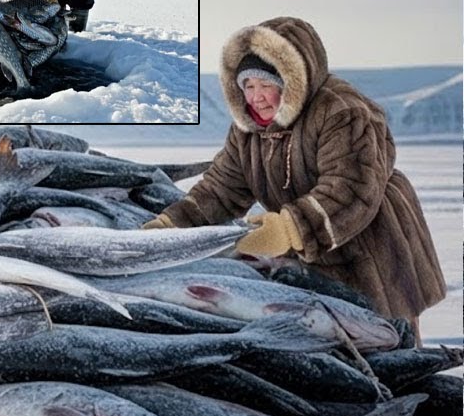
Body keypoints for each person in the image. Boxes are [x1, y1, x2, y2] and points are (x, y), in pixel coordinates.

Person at [143, 17, 446, 339]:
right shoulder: (248, 128)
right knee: (331, 341)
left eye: (266, 85)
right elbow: (222, 187)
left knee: (387, 337)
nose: (256, 97)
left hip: (373, 249)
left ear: (292, 81)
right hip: (309, 247)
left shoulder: (342, 111)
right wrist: (170, 226)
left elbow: (351, 189)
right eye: (248, 86)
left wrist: (287, 230)